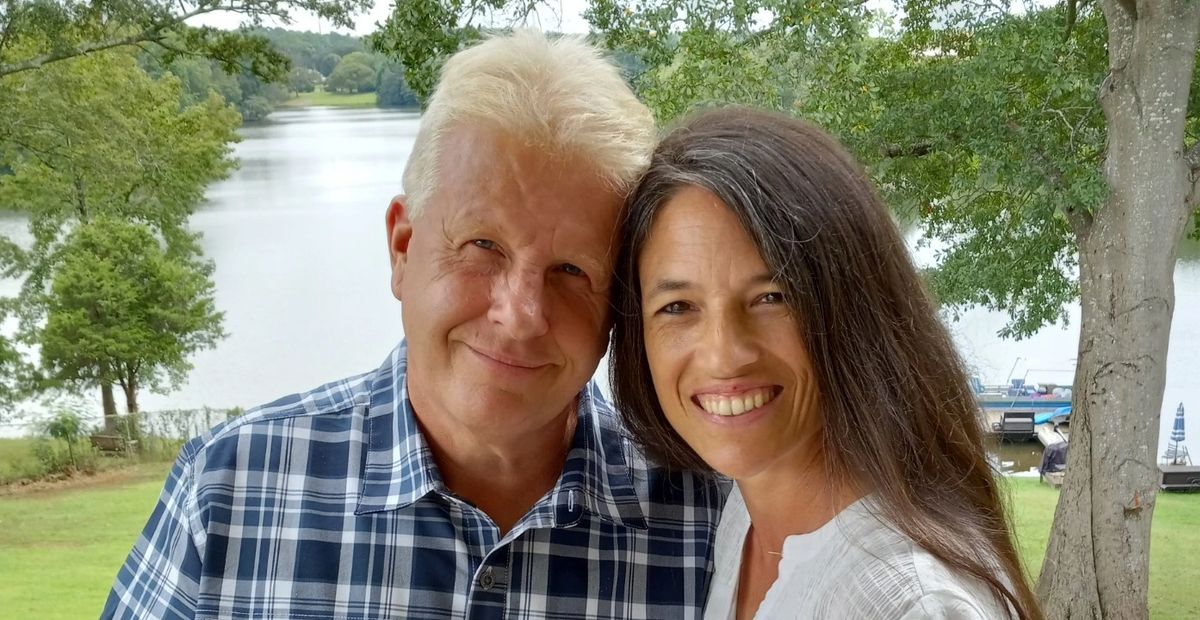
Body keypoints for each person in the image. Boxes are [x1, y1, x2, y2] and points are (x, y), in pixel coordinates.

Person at [102, 31, 724, 619]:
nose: (519, 315)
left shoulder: (706, 521)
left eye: (571, 270)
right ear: (402, 248)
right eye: (483, 246)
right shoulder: (230, 489)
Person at [610, 107, 1042, 619]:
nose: (724, 355)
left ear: (855, 307)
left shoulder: (906, 604)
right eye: (678, 306)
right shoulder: (745, 515)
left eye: (772, 297)